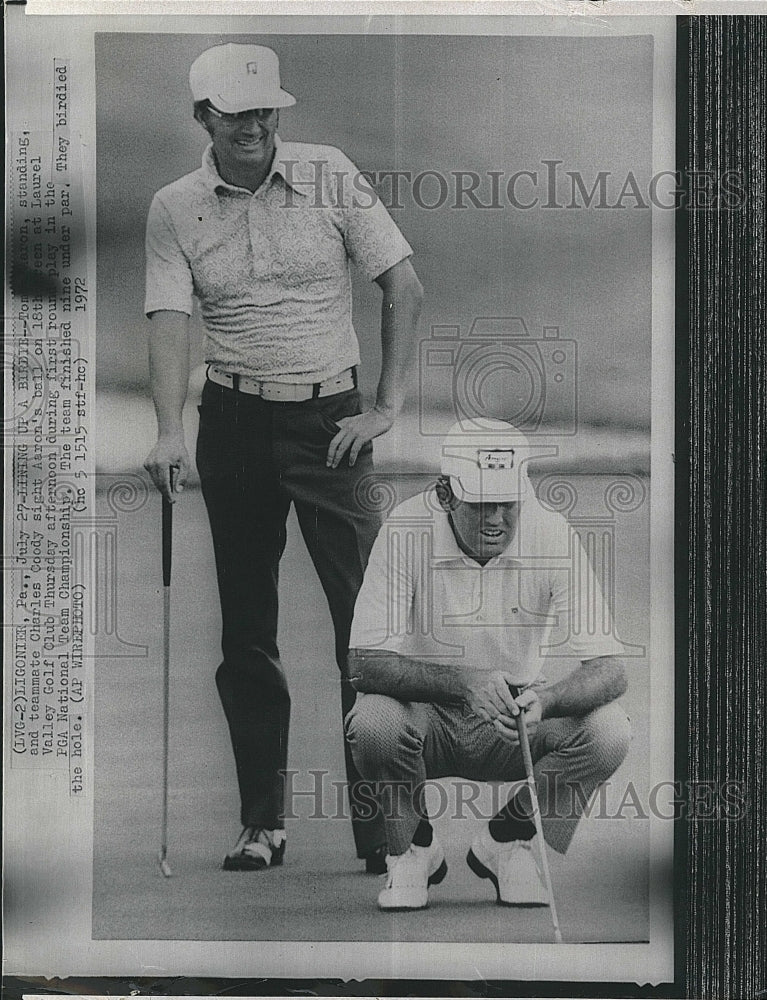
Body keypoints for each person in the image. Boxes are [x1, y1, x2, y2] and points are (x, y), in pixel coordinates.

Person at [142, 42, 423, 874]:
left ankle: (383, 836)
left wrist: (385, 409)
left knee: (363, 635)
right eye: (239, 114)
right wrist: (166, 430)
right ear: (205, 118)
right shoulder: (173, 206)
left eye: (267, 110)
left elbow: (402, 285)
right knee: (247, 634)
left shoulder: (330, 173)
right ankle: (262, 823)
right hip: (230, 425)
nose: (257, 125)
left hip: (330, 422)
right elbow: (167, 320)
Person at [345, 418, 631, 910]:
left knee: (609, 732)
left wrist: (548, 700)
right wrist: (463, 683)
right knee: (371, 720)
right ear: (445, 493)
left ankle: (507, 842)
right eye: (480, 504)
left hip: (514, 719)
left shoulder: (550, 533)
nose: (495, 518)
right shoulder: (405, 528)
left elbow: (611, 669)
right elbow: (362, 664)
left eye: (507, 503)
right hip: (423, 715)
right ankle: (413, 849)